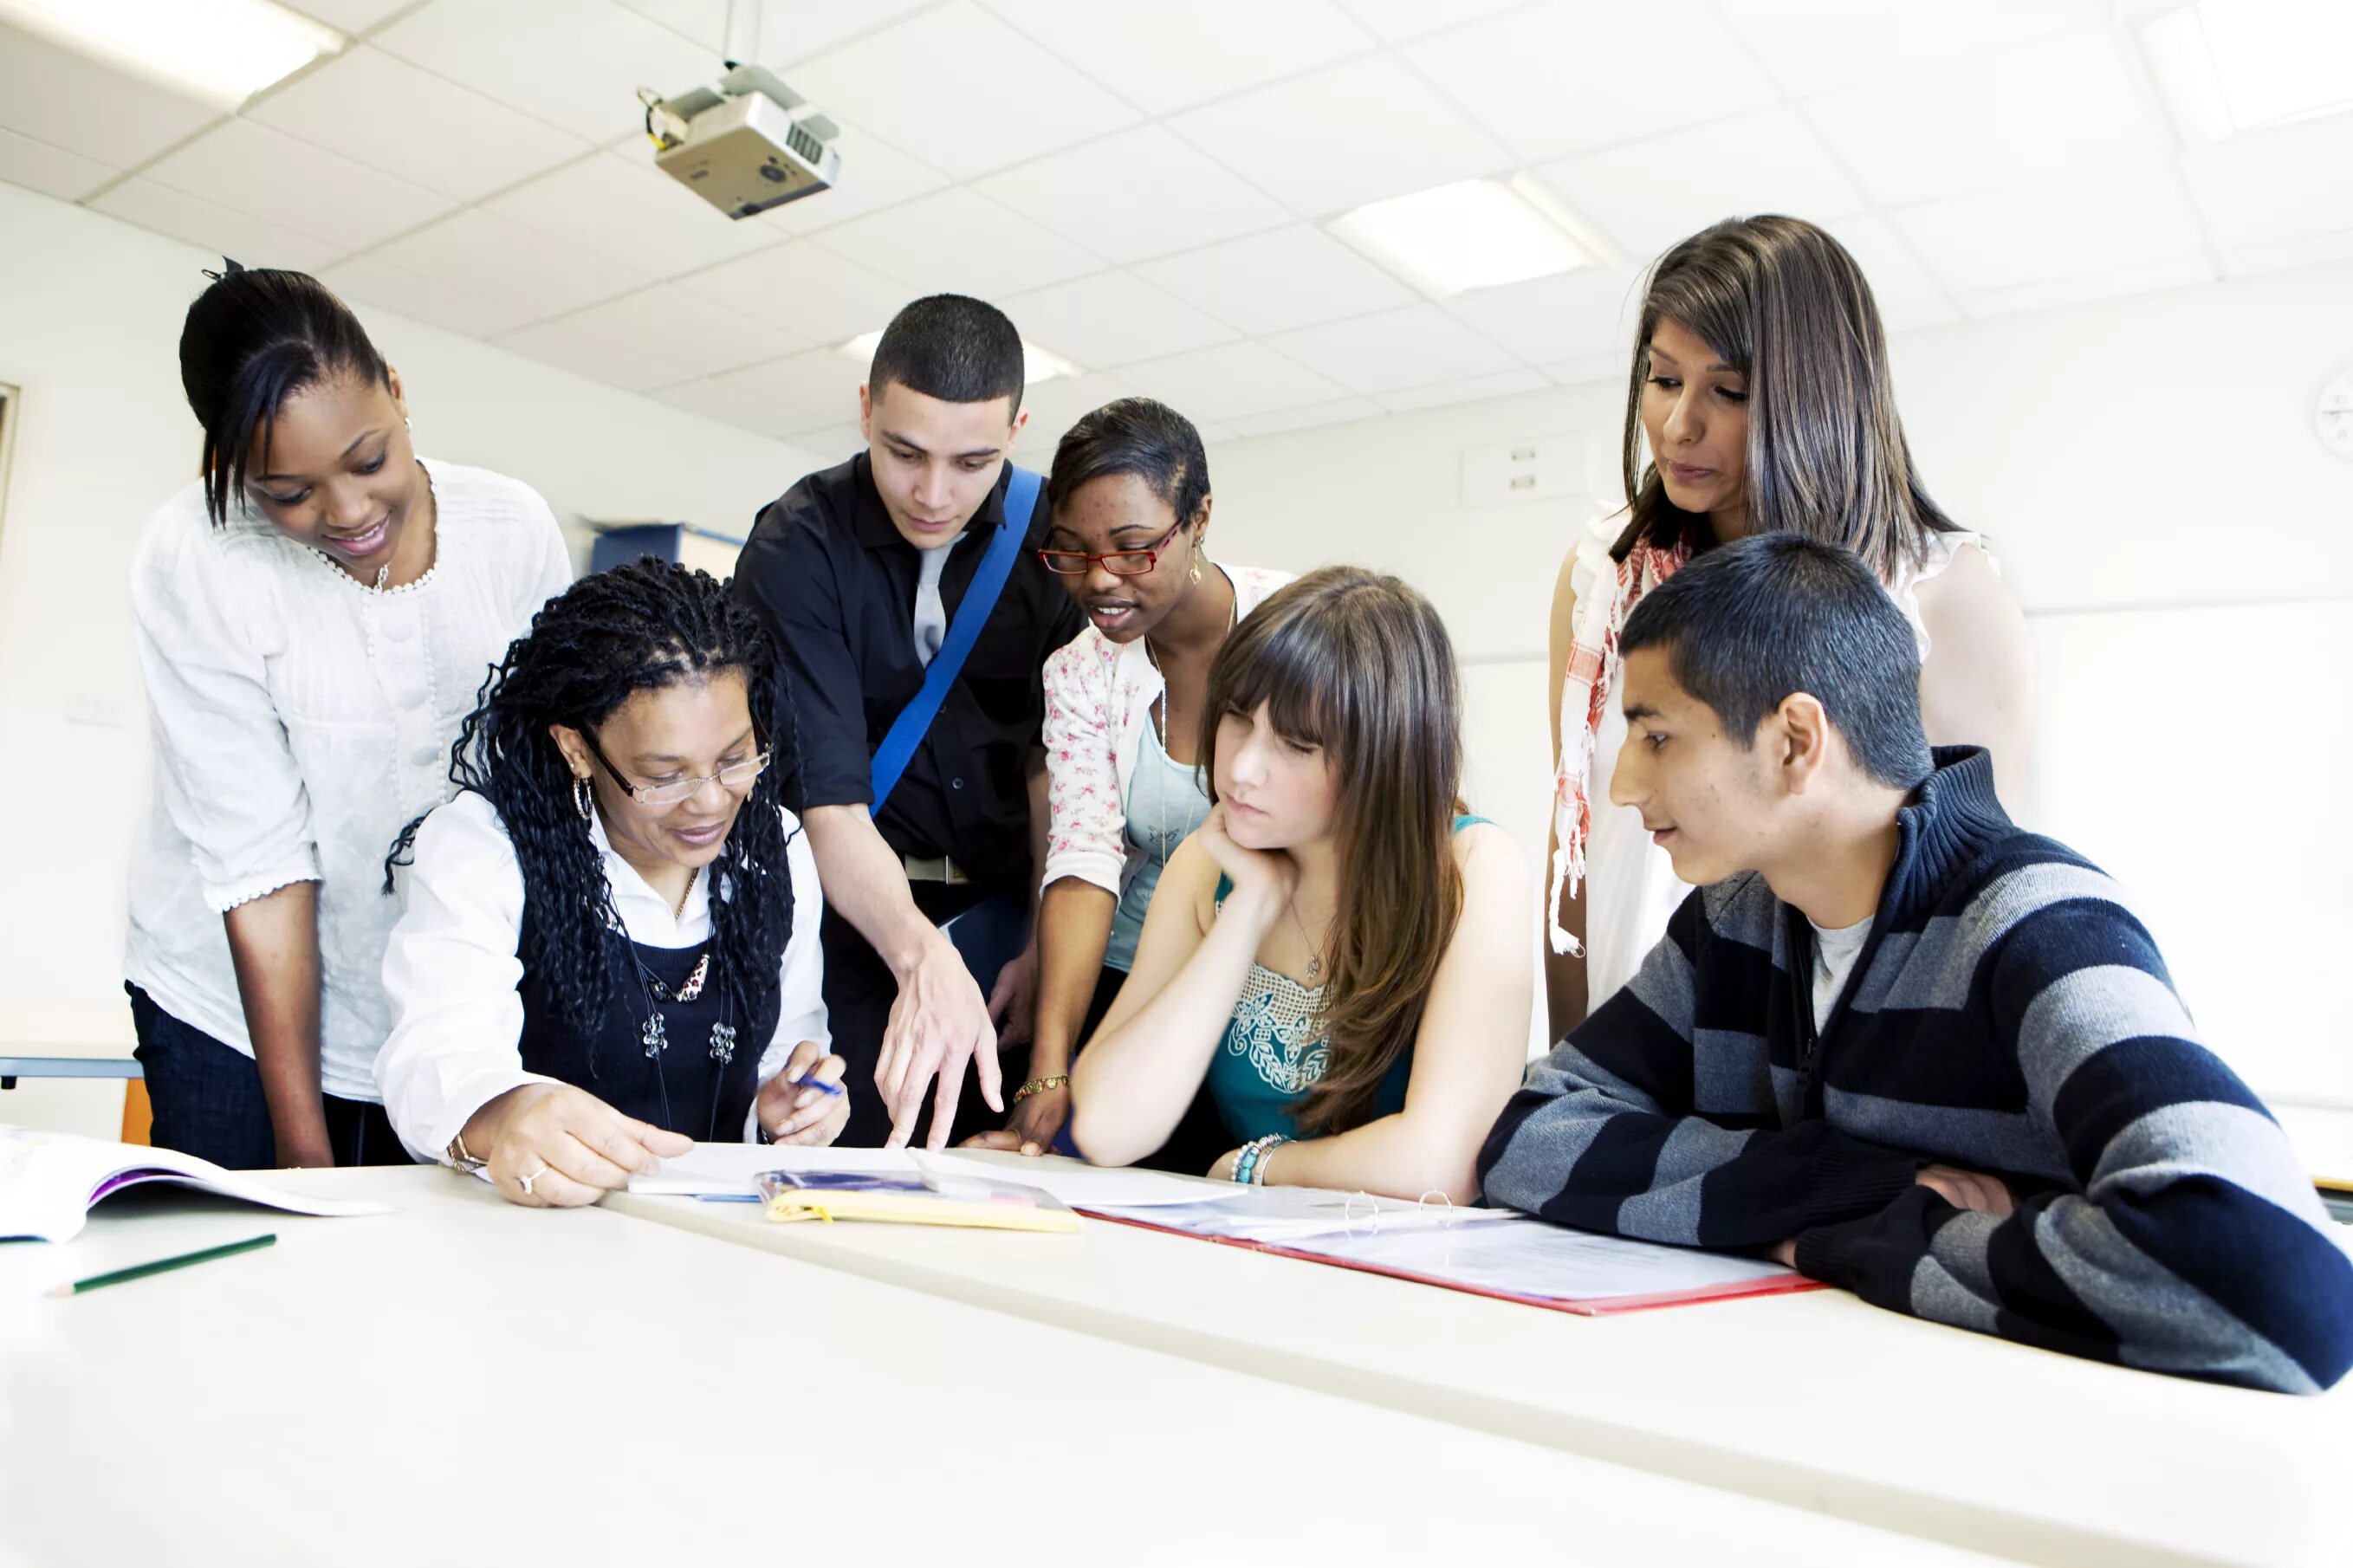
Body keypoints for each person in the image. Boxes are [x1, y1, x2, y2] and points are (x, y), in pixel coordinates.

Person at [1482, 534, 2352, 1395]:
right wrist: (1846, 1186)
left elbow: (2281, 1282)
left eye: (1657, 737)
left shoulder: (2037, 920)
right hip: (1805, 1416)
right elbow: (1527, 1135)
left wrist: (1839, 1234)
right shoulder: (1734, 921)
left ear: (1794, 740)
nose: (1626, 784)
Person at [124, 262, 572, 1170]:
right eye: (288, 493)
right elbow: (263, 872)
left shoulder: (512, 529)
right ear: (229, 466)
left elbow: (547, 791)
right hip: (233, 1008)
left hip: (436, 990)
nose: (349, 510)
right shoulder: (198, 558)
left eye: (368, 459)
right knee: (247, 1277)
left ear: (398, 392)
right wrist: (303, 1155)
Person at [1546, 214, 2033, 1038]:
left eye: (1727, 392)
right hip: (1638, 1032)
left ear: (1815, 398)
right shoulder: (1604, 575)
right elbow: (1578, 840)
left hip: (1853, 1054)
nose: (1678, 425)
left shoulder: (1939, 591)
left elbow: (1990, 889)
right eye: (1664, 380)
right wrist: (1569, 1060)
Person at [1049, 569, 1533, 1202]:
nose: (1244, 768)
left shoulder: (1474, 867)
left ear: (1384, 753)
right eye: (1237, 720)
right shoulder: (1208, 864)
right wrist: (1248, 909)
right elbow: (1109, 1128)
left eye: (1297, 745)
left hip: (1418, 1268)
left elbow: (1441, 1167)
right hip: (1260, 1258)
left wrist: (1259, 1166)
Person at [377, 560, 841, 1207]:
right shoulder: (484, 847)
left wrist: (790, 1106)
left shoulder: (777, 849)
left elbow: (788, 1044)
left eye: (735, 759)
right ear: (576, 748)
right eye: (664, 774)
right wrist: (508, 1116)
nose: (710, 804)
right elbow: (435, 1061)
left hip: (713, 1241)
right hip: (530, 1237)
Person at [732, 295, 1081, 1149]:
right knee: (849, 1161)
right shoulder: (797, 547)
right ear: (865, 408)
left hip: (1010, 918)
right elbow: (830, 805)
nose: (934, 493)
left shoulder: (1055, 537)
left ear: (1017, 427)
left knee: (1006, 1178)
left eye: (972, 462)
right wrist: (923, 959)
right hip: (854, 916)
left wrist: (1044, 946)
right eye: (904, 453)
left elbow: (1058, 768)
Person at [1006, 397, 1291, 1161]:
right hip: (1134, 983)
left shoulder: (1297, 626)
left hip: (1278, 990)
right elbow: (1082, 860)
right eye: (1072, 551)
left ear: (1198, 520)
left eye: (1133, 549)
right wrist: (1048, 1068)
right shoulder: (1079, 672)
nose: (1101, 579)